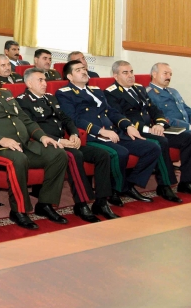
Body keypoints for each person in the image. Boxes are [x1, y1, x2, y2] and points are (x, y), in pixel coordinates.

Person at [0, 64, 69, 230]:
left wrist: (42, 136)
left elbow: (24, 119)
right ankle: (19, 210)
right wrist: (1, 140)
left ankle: (45, 204)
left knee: (58, 154)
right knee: (18, 159)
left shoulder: (5, 94)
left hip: (23, 143)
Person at [15, 68, 114, 222]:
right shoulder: (22, 101)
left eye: (45, 80)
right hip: (46, 144)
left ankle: (101, 202)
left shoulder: (50, 98)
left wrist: (74, 134)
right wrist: (60, 141)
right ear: (29, 83)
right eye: (40, 80)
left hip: (65, 141)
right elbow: (30, 129)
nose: (45, 83)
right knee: (75, 156)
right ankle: (81, 204)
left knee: (102, 155)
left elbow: (66, 119)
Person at [56, 60, 161, 205]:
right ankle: (115, 191)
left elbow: (111, 112)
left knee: (152, 148)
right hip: (93, 136)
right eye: (78, 70)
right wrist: (99, 131)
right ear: (69, 76)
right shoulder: (64, 93)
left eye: (84, 69)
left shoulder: (96, 90)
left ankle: (127, 185)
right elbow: (74, 119)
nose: (84, 71)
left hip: (113, 131)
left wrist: (127, 125)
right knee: (121, 153)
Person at [105, 60, 188, 201]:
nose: (130, 75)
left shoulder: (139, 89)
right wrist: (148, 128)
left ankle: (186, 182)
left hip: (152, 128)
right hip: (133, 130)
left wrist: (160, 124)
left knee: (187, 138)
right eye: (125, 73)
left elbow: (154, 109)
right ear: (115, 76)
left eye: (131, 72)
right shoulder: (111, 93)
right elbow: (119, 117)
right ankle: (164, 185)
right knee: (161, 141)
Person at [147, 62, 191, 132]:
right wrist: (188, 126)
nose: (169, 77)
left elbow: (186, 110)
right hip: (173, 130)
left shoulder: (173, 91)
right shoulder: (149, 94)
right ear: (154, 74)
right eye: (165, 73)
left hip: (186, 128)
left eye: (170, 74)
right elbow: (162, 118)